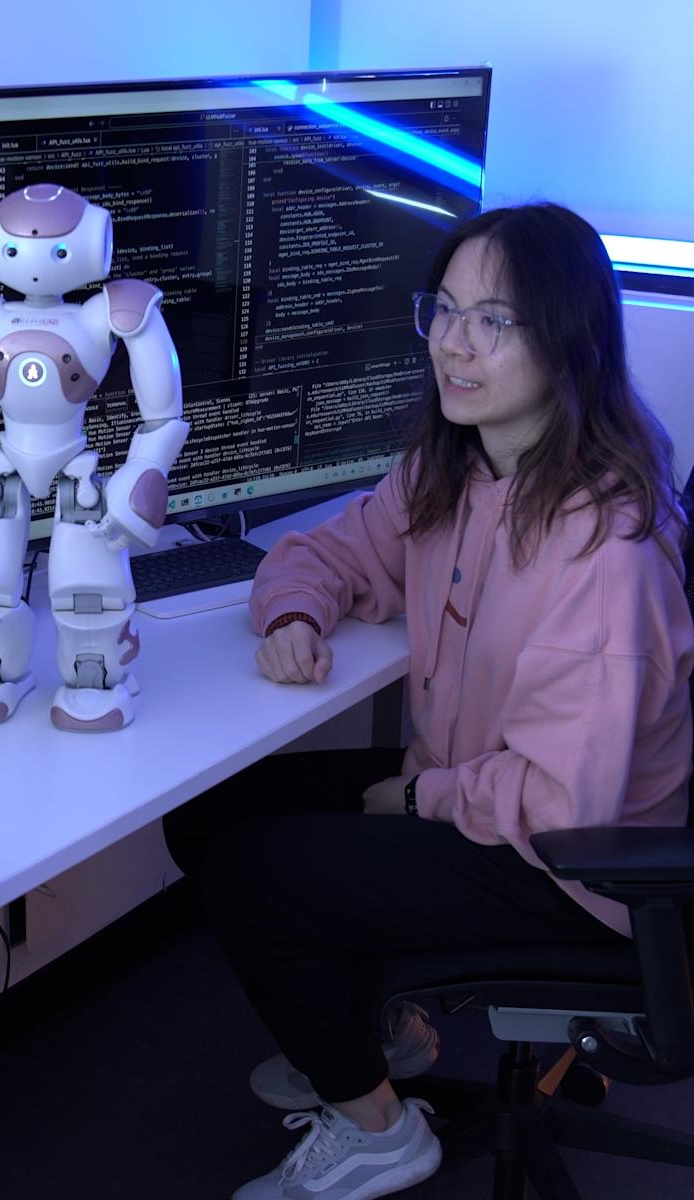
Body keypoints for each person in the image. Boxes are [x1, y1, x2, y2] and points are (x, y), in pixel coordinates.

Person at [164, 202, 694, 1200]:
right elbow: (332, 551)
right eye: (443, 311)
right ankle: (377, 1037)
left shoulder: (606, 548)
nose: (454, 345)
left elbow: (558, 804)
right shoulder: (458, 466)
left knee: (254, 871)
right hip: (478, 794)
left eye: (494, 321)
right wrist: (293, 616)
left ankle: (375, 1129)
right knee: (209, 813)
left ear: (568, 338)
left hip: (578, 867)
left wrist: (416, 801)